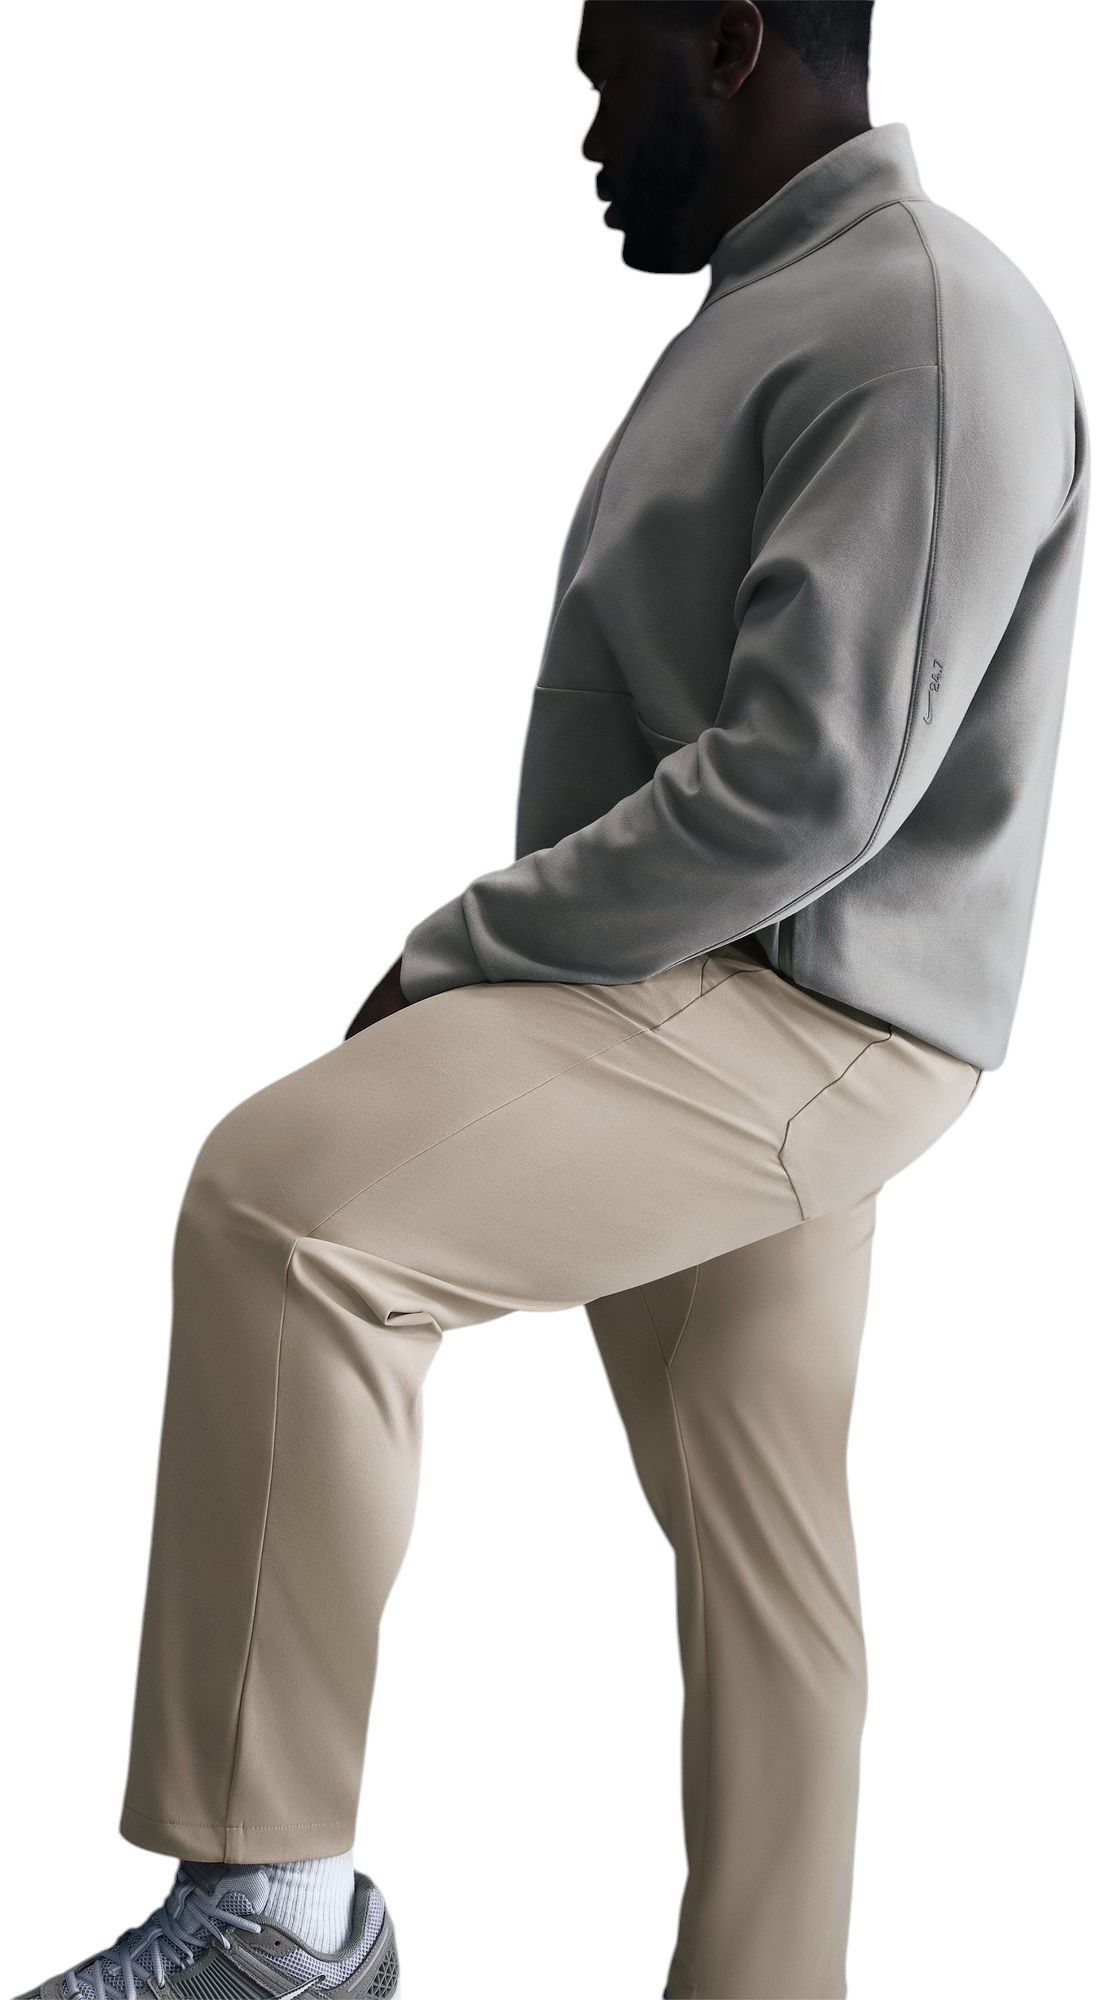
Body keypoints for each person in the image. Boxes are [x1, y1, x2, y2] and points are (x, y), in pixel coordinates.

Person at [15, 4, 1088, 1998]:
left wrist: (465, 949)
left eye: (611, 71)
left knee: (287, 1213)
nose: (588, 125)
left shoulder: (921, 322)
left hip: (791, 1010)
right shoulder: (793, 307)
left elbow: (809, 788)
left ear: (732, 41)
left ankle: (273, 1921)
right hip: (743, 991)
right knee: (769, 1566)